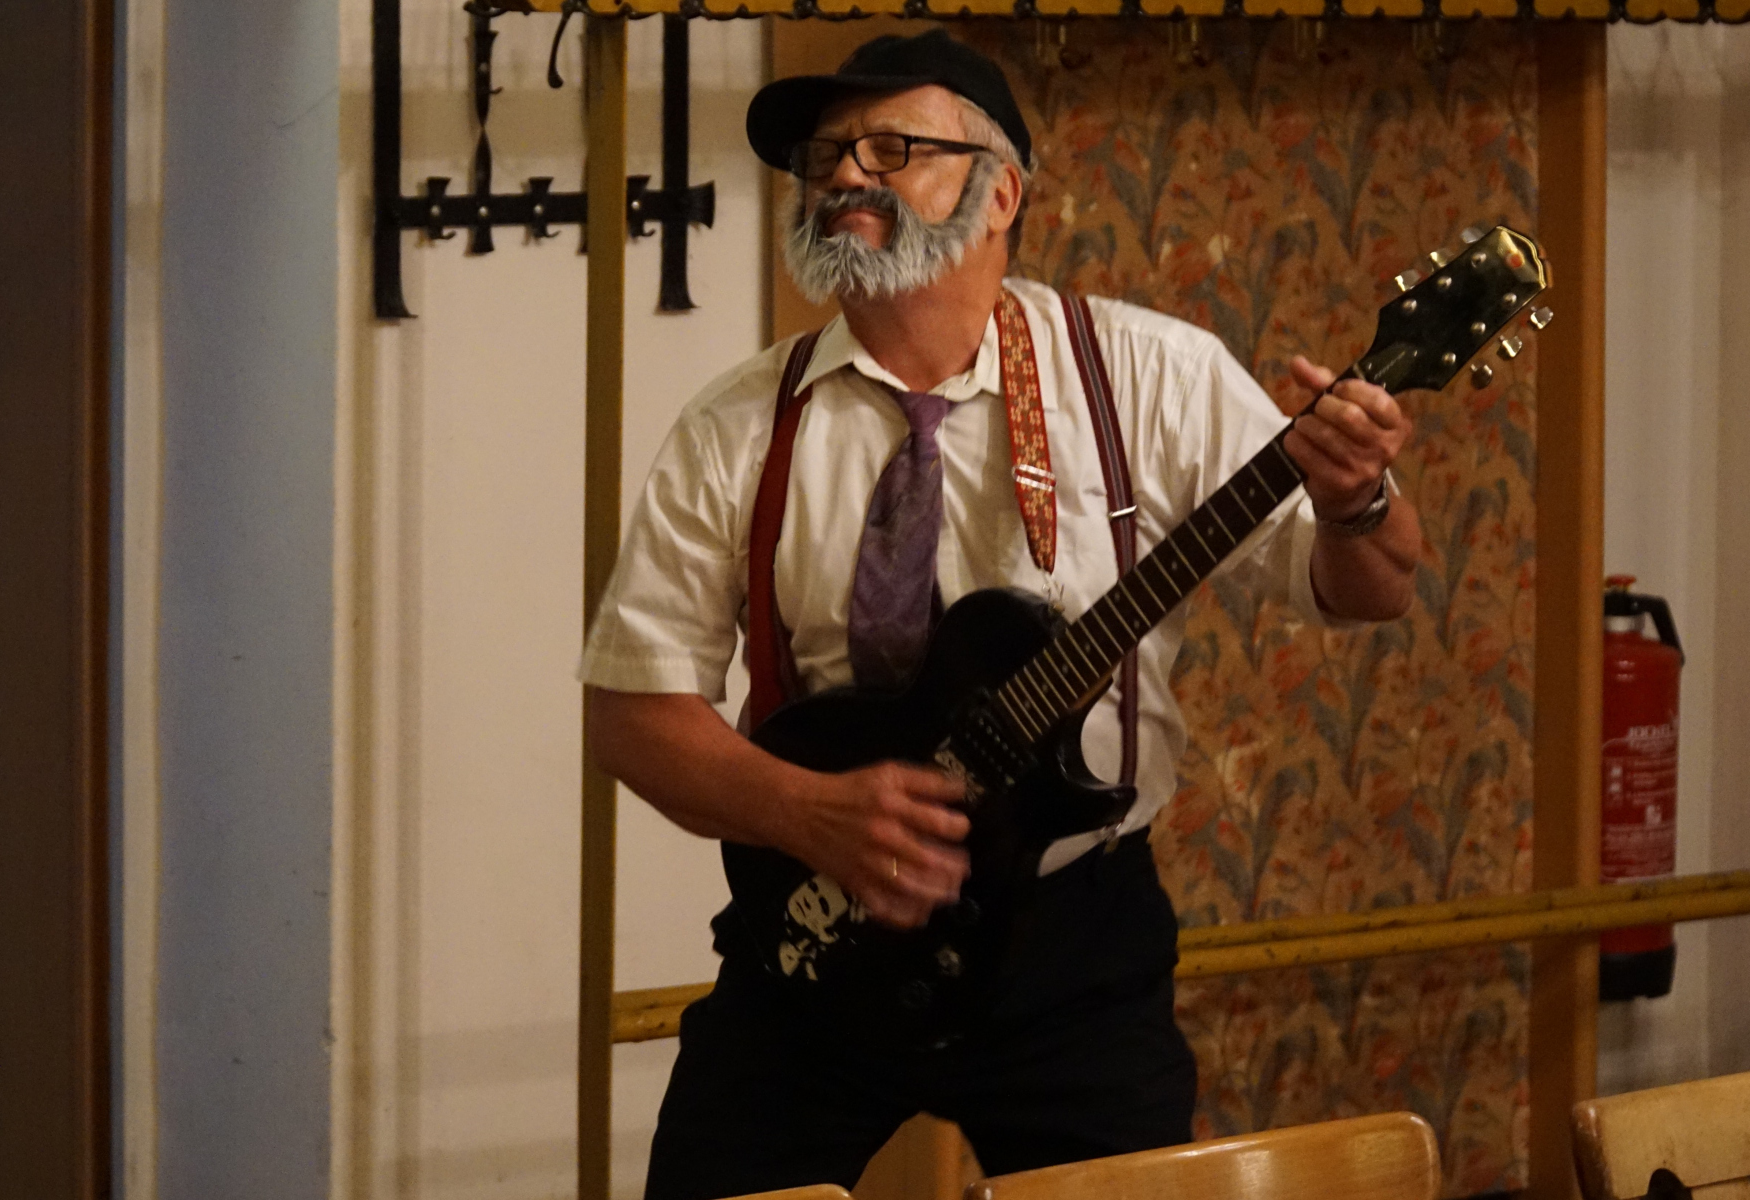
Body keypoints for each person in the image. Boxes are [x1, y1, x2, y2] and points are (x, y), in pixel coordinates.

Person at [579, 27, 1421, 1200]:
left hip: (1075, 946)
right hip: (818, 926)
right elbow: (630, 715)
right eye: (826, 155)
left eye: (892, 148)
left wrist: (1357, 498)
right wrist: (811, 815)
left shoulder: (1150, 376)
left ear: (1001, 194)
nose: (846, 172)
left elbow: (1368, 589)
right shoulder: (737, 428)